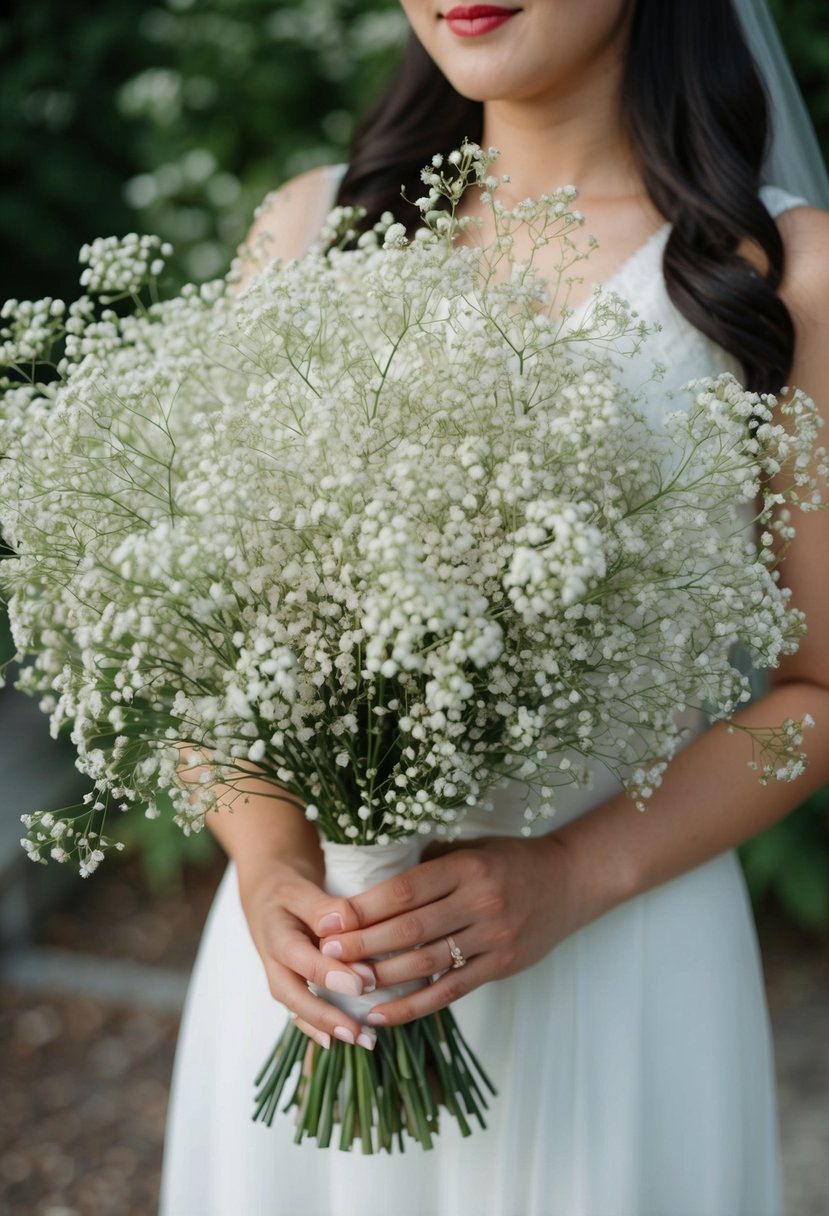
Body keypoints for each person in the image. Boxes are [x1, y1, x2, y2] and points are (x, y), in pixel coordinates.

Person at [158, 2, 829, 1213]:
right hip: (319, 982)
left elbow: (818, 696)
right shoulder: (307, 232)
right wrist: (266, 865)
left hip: (621, 970)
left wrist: (572, 875)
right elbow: (192, 646)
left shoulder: (788, 279)